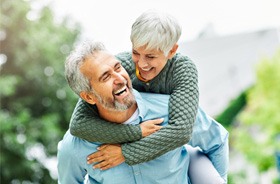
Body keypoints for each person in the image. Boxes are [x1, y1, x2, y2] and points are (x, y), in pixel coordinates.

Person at [57, 41, 229, 183]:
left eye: (118, 68)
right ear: (88, 97)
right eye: (106, 77)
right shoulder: (75, 146)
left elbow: (217, 141)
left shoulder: (171, 111)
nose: (119, 79)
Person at [69, 9, 199, 169]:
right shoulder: (121, 65)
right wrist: (136, 132)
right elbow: (78, 124)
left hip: (188, 151)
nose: (142, 64)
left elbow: (181, 131)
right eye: (136, 52)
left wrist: (125, 153)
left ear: (171, 51)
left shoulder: (182, 69)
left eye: (151, 56)